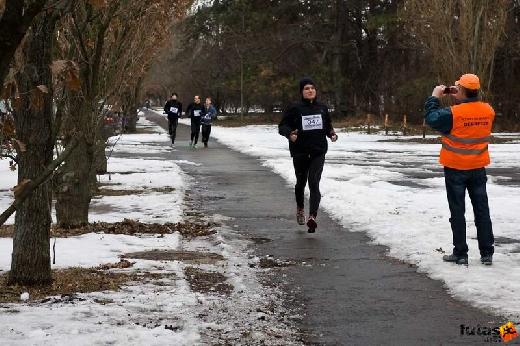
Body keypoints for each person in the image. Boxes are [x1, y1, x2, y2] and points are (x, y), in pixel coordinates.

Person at [425, 73, 495, 266]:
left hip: (455, 168)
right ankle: (487, 253)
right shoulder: (488, 110)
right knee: (482, 210)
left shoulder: (452, 113)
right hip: (478, 168)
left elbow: (431, 119)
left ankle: (461, 253)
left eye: (458, 88)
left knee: (457, 211)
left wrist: (434, 97)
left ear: (462, 90)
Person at [278, 77, 337, 233]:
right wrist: (289, 134)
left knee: (314, 182)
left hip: (318, 151)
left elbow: (327, 125)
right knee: (301, 183)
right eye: (306, 88)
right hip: (300, 152)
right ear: (301, 92)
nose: (310, 90)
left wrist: (331, 133)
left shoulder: (322, 108)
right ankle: (300, 208)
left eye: (312, 88)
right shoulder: (295, 108)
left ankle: (312, 217)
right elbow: (282, 126)